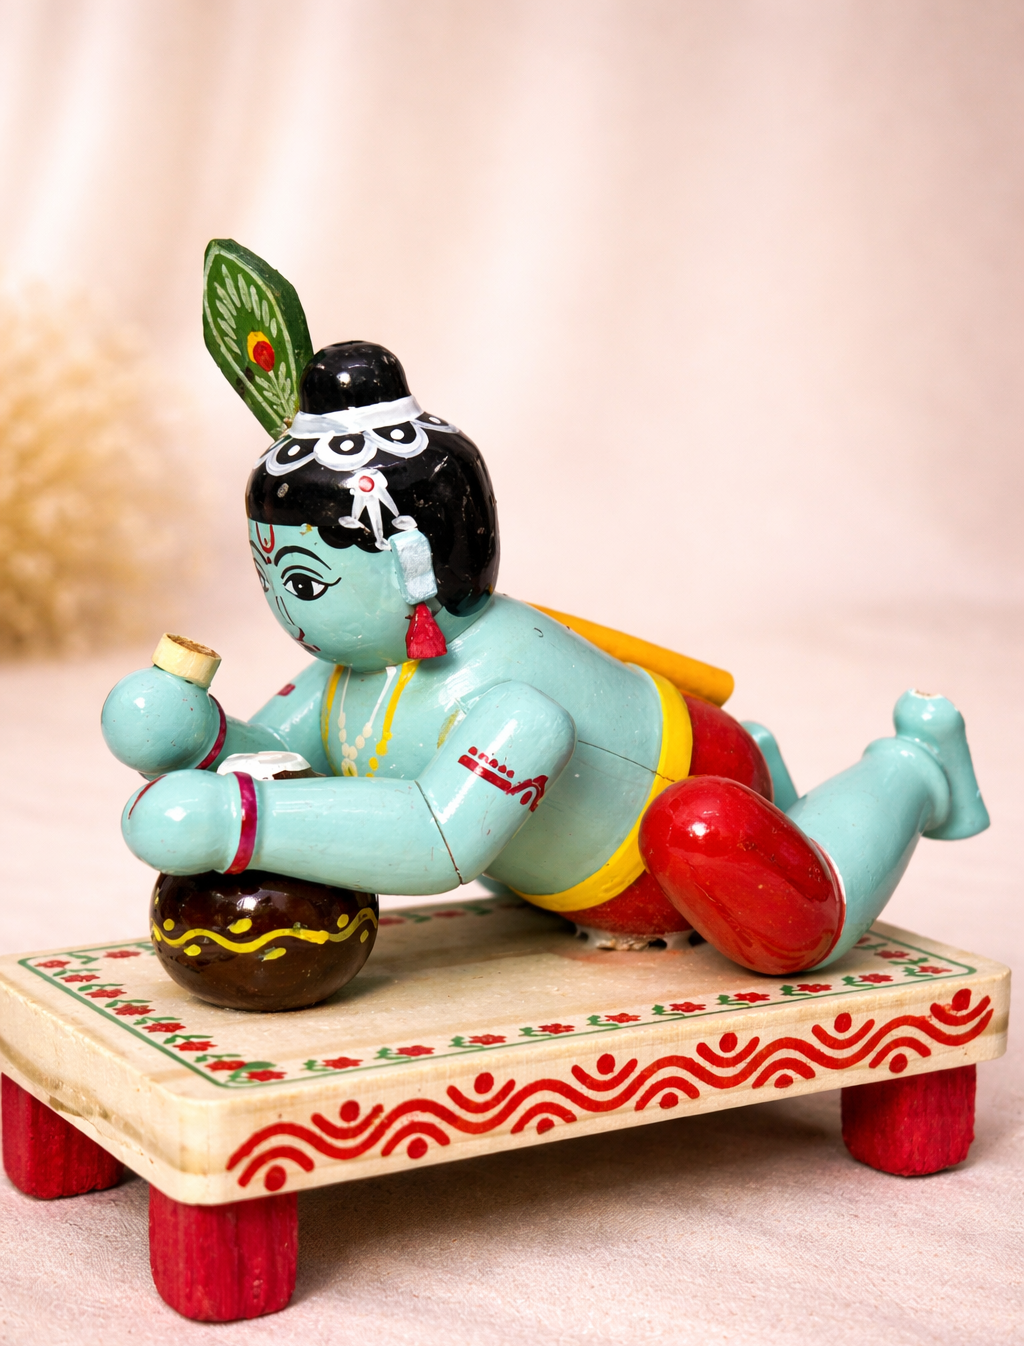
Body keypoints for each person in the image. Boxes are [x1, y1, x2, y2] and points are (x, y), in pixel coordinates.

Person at [102, 252, 989, 977]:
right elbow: (280, 758)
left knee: (784, 925)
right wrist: (196, 736)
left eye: (303, 580)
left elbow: (439, 840)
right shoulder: (350, 676)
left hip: (686, 833)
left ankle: (913, 764)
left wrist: (233, 822)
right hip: (555, 880)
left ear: (413, 565)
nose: (284, 610)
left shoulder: (511, 700)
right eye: (271, 579)